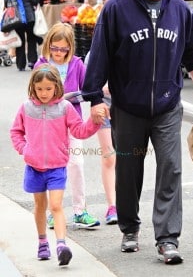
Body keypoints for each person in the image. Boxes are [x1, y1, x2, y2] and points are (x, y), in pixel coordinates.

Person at [82, 0, 193, 265]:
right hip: (127, 107)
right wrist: (95, 99)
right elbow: (99, 54)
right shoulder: (116, 8)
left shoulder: (180, 10)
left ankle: (167, 238)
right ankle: (129, 227)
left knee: (170, 167)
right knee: (129, 170)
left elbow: (192, 54)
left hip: (168, 106)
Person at [10, 64, 103, 266]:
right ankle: (43, 242)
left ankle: (61, 245)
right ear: (33, 87)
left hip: (57, 167)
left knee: (56, 205)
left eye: (48, 89)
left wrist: (95, 122)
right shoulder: (26, 107)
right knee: (40, 206)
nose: (43, 93)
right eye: (39, 89)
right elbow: (16, 132)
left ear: (57, 87)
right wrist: (25, 150)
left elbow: (79, 130)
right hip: (34, 167)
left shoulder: (65, 108)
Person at [34, 23, 100, 229]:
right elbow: (33, 95)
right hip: (49, 125)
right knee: (52, 168)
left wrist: (86, 97)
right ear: (48, 45)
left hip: (72, 122)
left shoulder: (77, 64)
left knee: (76, 164)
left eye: (63, 49)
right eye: (55, 48)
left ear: (70, 47)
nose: (59, 53)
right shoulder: (41, 65)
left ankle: (80, 210)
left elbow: (89, 89)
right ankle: (53, 212)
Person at [84, 52, 117, 225]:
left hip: (129, 108)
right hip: (103, 107)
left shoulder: (130, 44)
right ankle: (112, 206)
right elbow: (89, 83)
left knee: (129, 159)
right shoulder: (94, 54)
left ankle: (127, 206)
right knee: (109, 157)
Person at [4, 0, 39, 71]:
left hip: (15, 17)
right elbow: (35, 1)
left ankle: (20, 64)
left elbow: (6, 2)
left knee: (20, 40)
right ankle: (32, 61)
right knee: (31, 38)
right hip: (29, 16)